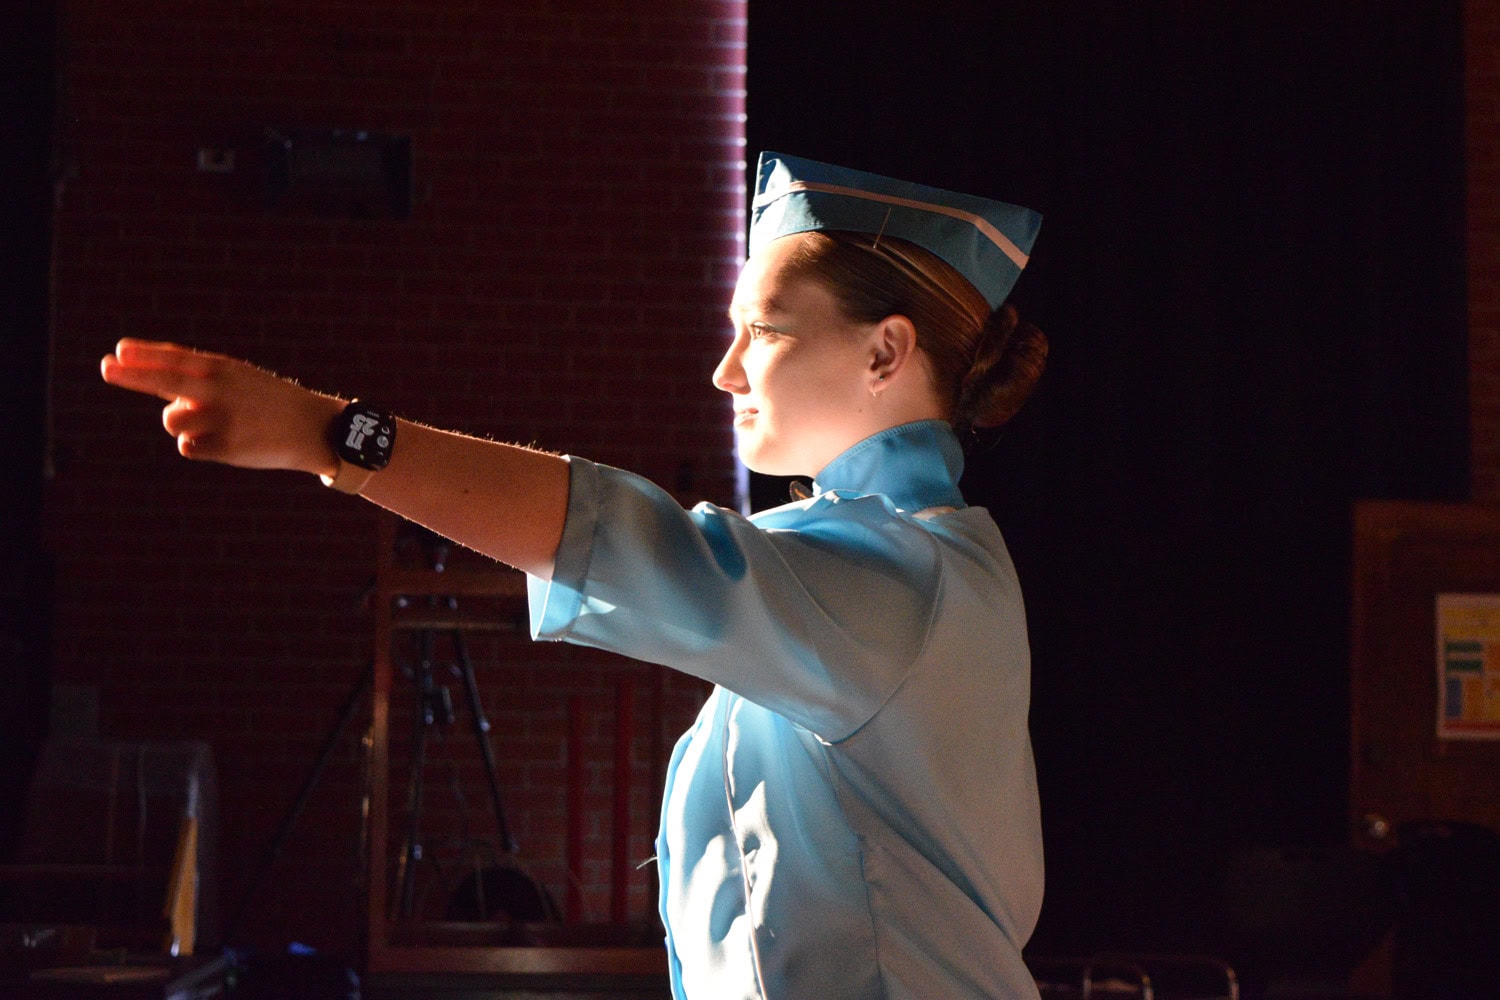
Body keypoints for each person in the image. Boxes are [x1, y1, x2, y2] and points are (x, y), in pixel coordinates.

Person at [101, 151, 1048, 1000]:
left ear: (885, 350)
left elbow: (629, 541)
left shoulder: (902, 576)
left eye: (761, 330)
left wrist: (328, 433)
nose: (725, 372)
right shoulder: (888, 562)